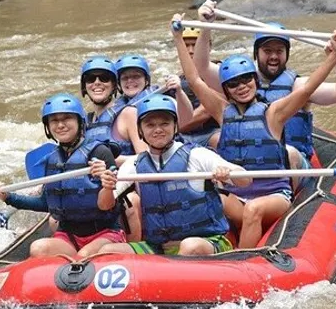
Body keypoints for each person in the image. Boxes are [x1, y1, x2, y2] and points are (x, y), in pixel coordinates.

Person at [173, 12, 336, 248]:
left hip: (273, 195)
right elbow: (194, 79)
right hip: (238, 193)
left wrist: (334, 57)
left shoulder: (274, 113)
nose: (242, 87)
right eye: (234, 84)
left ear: (255, 80)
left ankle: (243, 260)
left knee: (253, 210)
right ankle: (209, 249)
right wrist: (177, 37)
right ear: (226, 89)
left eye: (247, 80)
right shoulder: (223, 112)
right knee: (203, 197)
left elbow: (306, 90)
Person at [194, 0, 336, 189]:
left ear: (287, 54)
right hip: (249, 162)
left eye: (279, 51)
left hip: (292, 165)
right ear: (256, 53)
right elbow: (201, 67)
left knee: (289, 152)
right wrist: (206, 26)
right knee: (217, 139)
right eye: (267, 51)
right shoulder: (239, 80)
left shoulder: (297, 85)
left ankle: (288, 201)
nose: (273, 56)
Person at [94, 95, 250, 256]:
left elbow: (246, 180)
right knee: (108, 251)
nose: (158, 130)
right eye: (150, 125)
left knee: (190, 247)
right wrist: (107, 188)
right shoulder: (134, 164)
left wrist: (228, 173)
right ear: (140, 130)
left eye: (165, 123)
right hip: (159, 247)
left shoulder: (197, 155)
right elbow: (104, 205)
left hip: (208, 241)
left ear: (175, 127)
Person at [0, 93, 125, 258]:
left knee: (84, 256)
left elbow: (107, 206)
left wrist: (107, 185)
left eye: (67, 118)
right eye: (54, 120)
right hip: (69, 235)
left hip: (104, 233)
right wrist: (8, 197)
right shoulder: (52, 159)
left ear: (80, 121)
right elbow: (45, 203)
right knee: (38, 248)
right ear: (48, 126)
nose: (60, 125)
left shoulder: (100, 153)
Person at [80, 55, 146, 163]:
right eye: (90, 79)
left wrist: (110, 161)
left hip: (123, 173)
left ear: (114, 85)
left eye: (104, 78)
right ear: (84, 86)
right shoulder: (84, 122)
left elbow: (146, 159)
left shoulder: (129, 114)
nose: (97, 83)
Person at [114, 53, 194, 128]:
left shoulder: (162, 100)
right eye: (125, 78)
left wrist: (179, 92)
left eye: (136, 76)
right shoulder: (115, 107)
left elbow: (186, 120)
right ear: (119, 84)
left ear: (146, 81)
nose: (130, 81)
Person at [176, 27, 222, 148]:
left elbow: (205, 112)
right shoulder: (177, 79)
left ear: (208, 47)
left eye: (195, 45)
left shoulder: (217, 73)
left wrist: (172, 128)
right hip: (183, 134)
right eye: (186, 45)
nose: (190, 51)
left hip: (212, 132)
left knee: (219, 140)